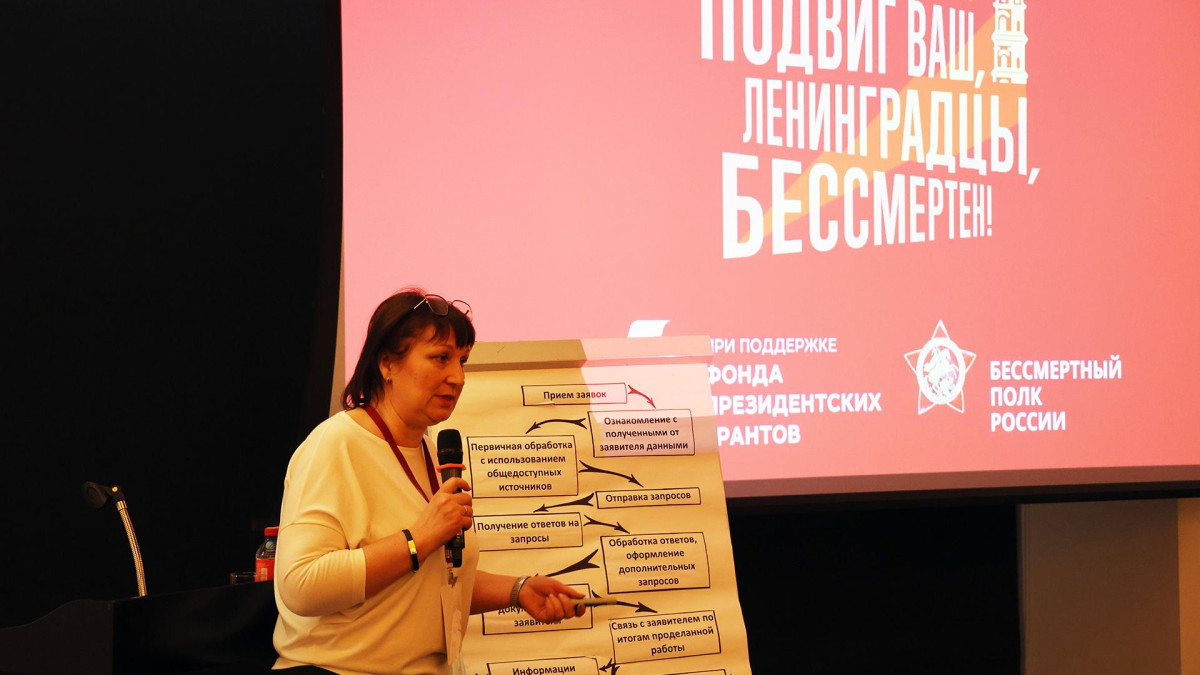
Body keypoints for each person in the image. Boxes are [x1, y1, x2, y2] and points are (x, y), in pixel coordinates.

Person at [272, 289, 584, 675]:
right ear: (387, 363)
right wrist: (417, 539)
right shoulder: (336, 444)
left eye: (462, 361)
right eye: (440, 358)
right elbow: (300, 585)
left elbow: (428, 579)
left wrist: (517, 590)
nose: (458, 378)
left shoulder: (432, 452)